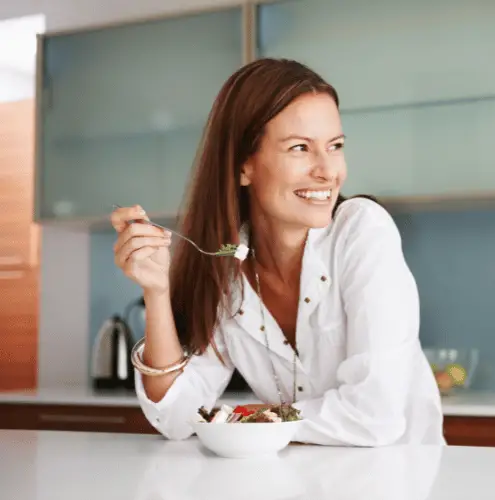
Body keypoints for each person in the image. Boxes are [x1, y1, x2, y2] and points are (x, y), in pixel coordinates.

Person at [110, 58, 445, 446]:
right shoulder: (226, 264)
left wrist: (234, 419)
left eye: (335, 146)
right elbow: (176, 416)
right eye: (300, 148)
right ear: (242, 166)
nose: (327, 171)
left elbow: (373, 416)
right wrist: (156, 291)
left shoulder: (362, 230)